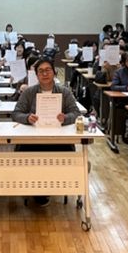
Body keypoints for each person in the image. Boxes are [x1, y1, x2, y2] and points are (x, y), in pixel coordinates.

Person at [12, 57, 81, 207]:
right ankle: (39, 190)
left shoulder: (64, 92)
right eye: (41, 71)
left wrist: (65, 118)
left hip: (58, 140)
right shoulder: (29, 92)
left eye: (48, 70)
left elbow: (76, 113)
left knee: (61, 155)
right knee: (30, 156)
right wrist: (27, 118)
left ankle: (50, 185)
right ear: (36, 75)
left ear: (54, 73)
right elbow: (16, 113)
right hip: (33, 140)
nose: (44, 74)